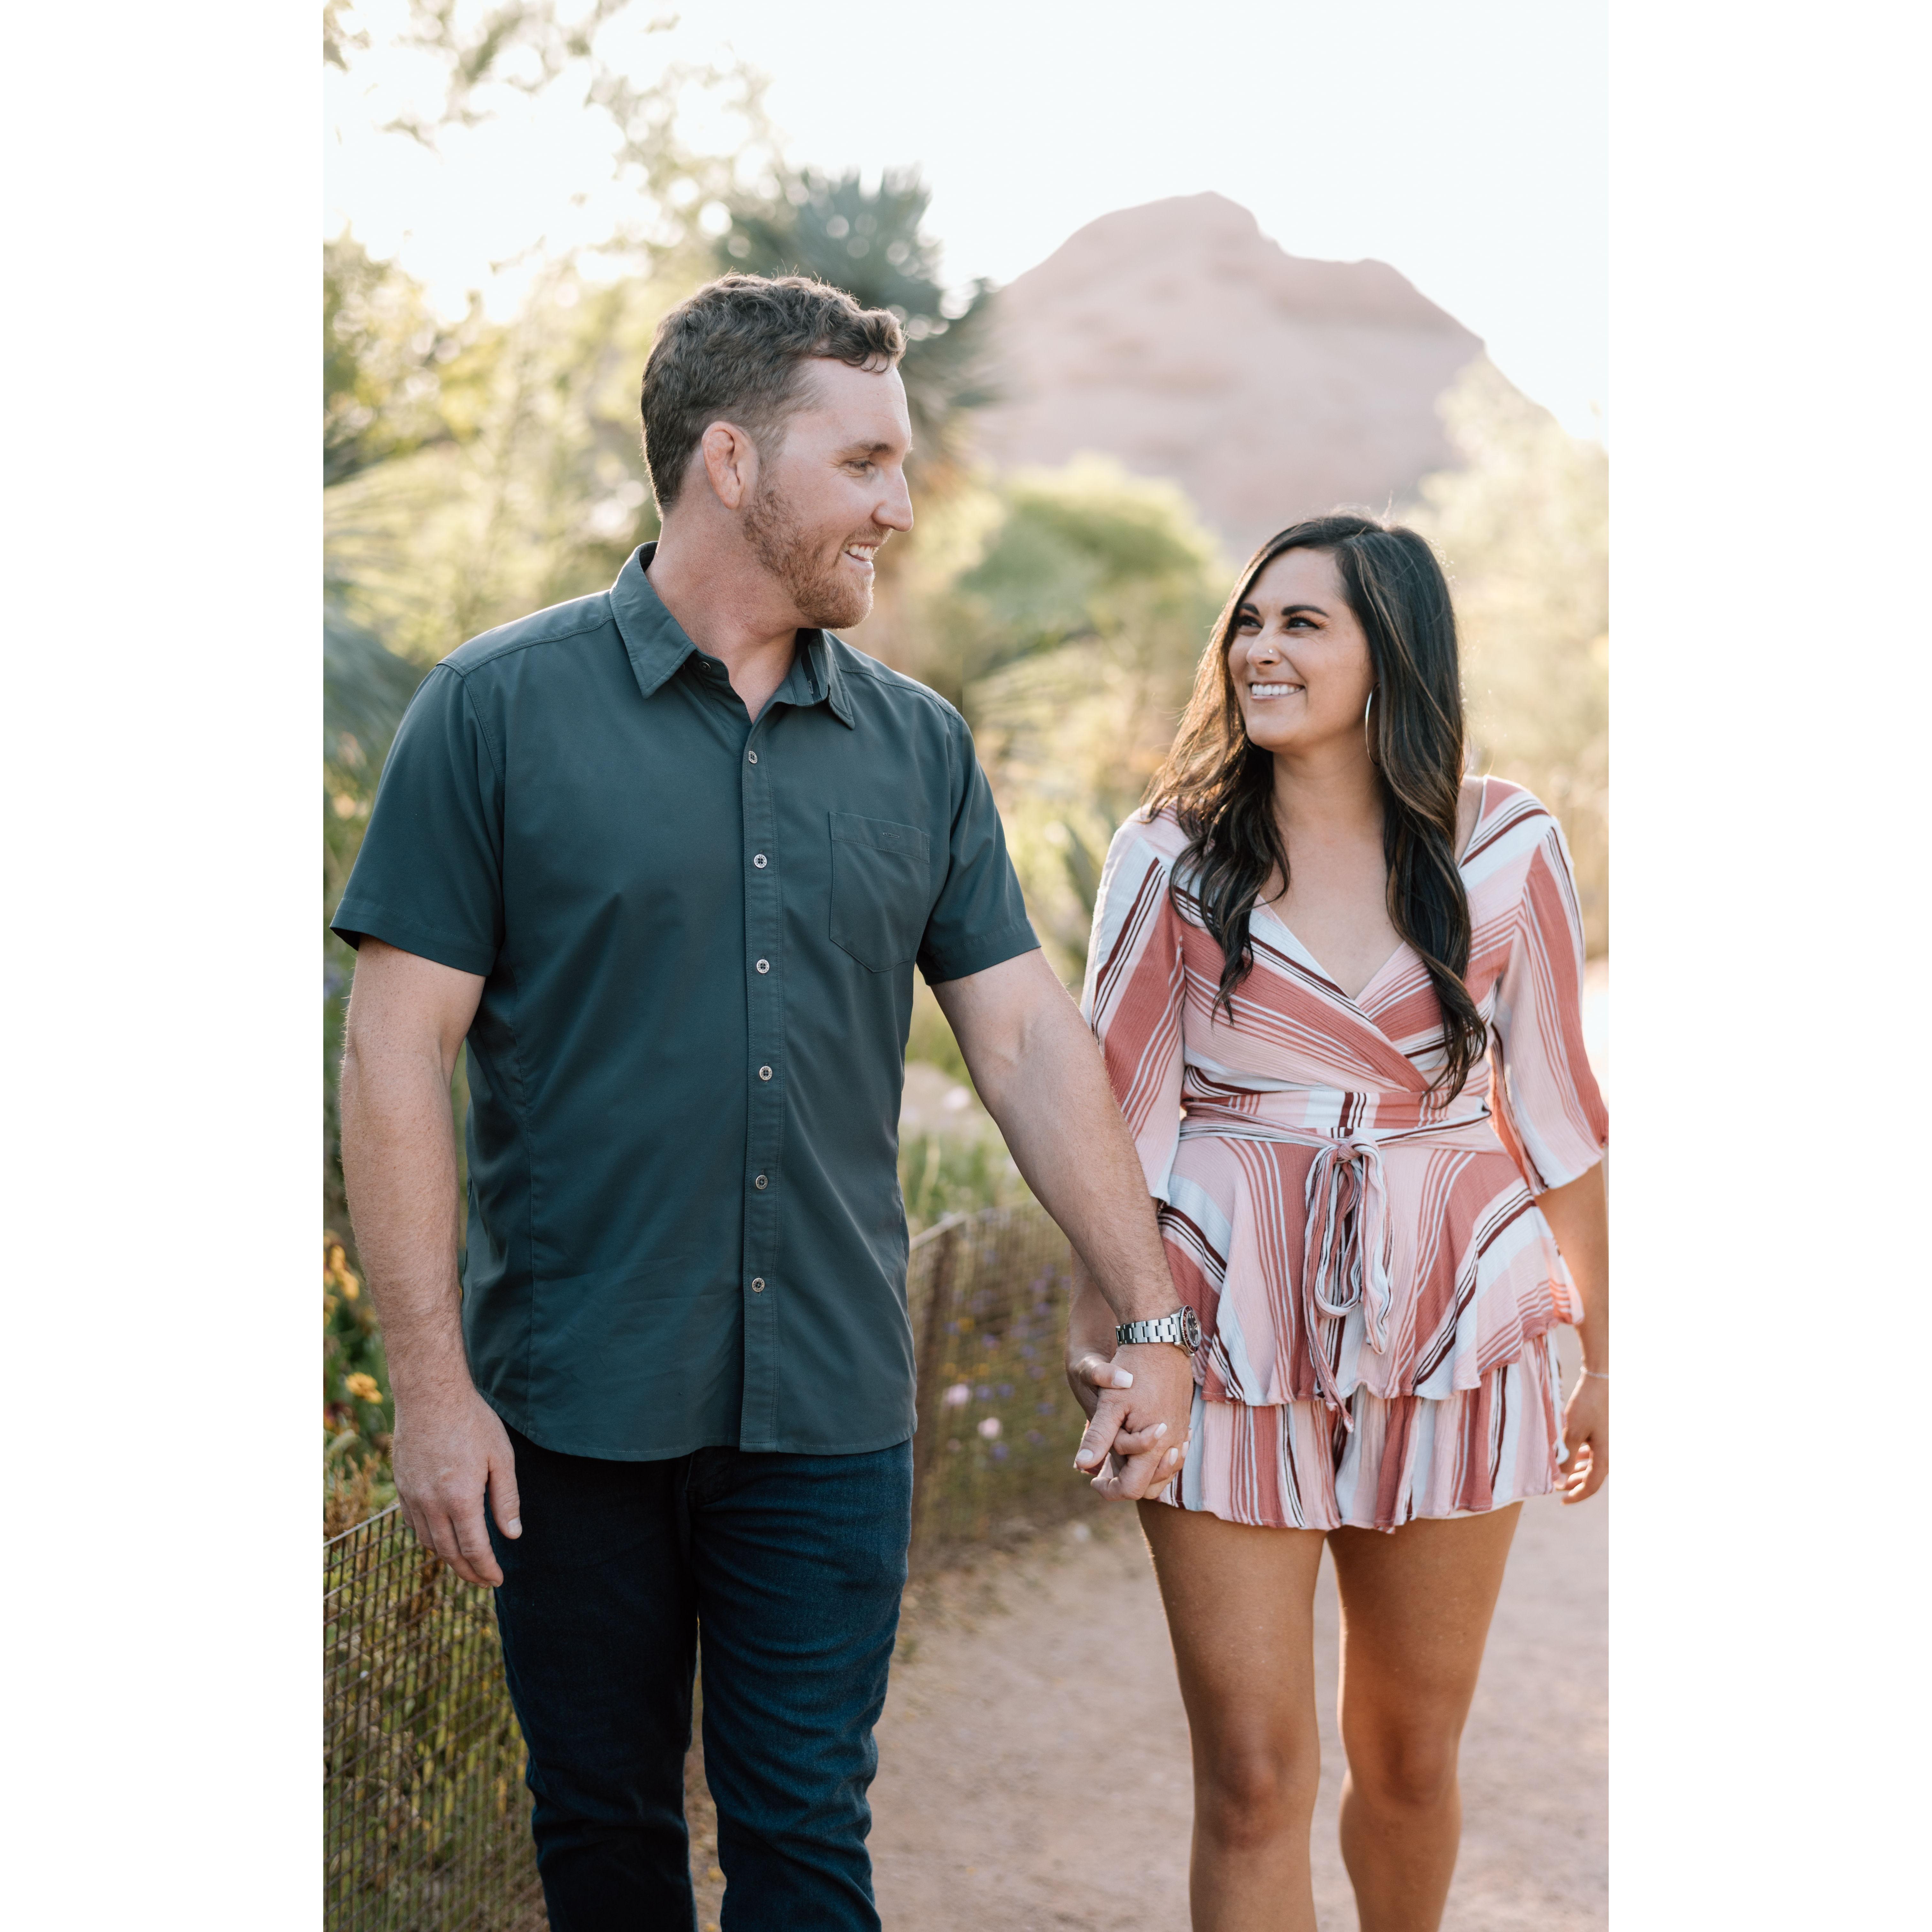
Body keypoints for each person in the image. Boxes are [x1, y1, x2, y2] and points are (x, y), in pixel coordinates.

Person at [333, 274, 1196, 1931]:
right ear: (729, 462)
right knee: (601, 1834)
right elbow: (392, 1054)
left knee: (806, 1836)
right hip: (569, 1411)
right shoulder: (494, 713)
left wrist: (1153, 1312)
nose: (900, 503)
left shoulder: (920, 750)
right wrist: (432, 1391)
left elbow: (1026, 1040)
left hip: (831, 1410)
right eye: (863, 461)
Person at [1065, 513, 1609, 1932]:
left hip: (1456, 1324)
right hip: (1223, 1332)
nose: (1260, 648)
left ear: (1394, 651)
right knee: (1251, 1779)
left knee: (1412, 1760)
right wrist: (1114, 1332)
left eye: (1303, 623)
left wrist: (1606, 1355)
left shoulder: (1507, 844)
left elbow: (1559, 1113)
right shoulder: (1170, 853)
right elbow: (1112, 1116)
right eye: (1250, 622)